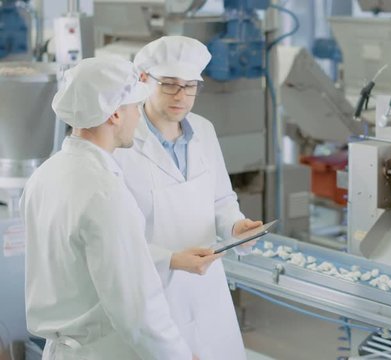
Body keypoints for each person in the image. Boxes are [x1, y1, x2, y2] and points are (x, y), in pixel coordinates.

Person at [20, 57, 198, 360]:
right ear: (115, 114)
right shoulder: (104, 192)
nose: (138, 119)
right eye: (134, 109)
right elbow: (136, 307)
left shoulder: (44, 175)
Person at [113, 36, 261, 359]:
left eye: (190, 85)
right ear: (143, 80)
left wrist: (236, 228)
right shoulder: (121, 144)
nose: (181, 96)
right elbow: (115, 240)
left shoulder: (204, 131)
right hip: (152, 296)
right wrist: (170, 260)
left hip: (208, 293)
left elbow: (221, 200)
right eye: (169, 84)